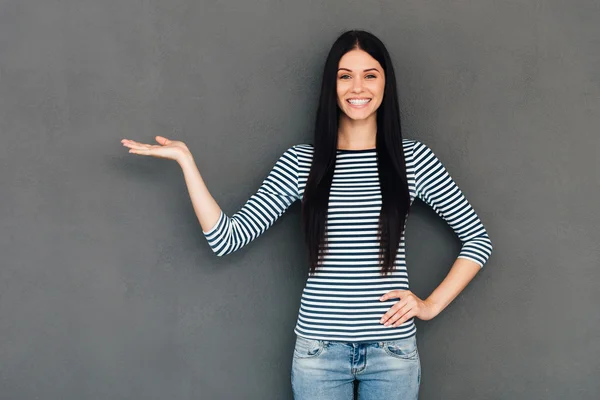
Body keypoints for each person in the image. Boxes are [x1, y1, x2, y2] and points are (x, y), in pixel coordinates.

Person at [121, 30, 492, 400]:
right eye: (345, 76)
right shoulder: (302, 163)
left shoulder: (413, 160)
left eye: (370, 75)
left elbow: (478, 240)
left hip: (392, 353)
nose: (357, 87)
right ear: (331, 86)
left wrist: (429, 306)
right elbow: (226, 238)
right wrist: (186, 162)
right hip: (319, 355)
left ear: (385, 84)